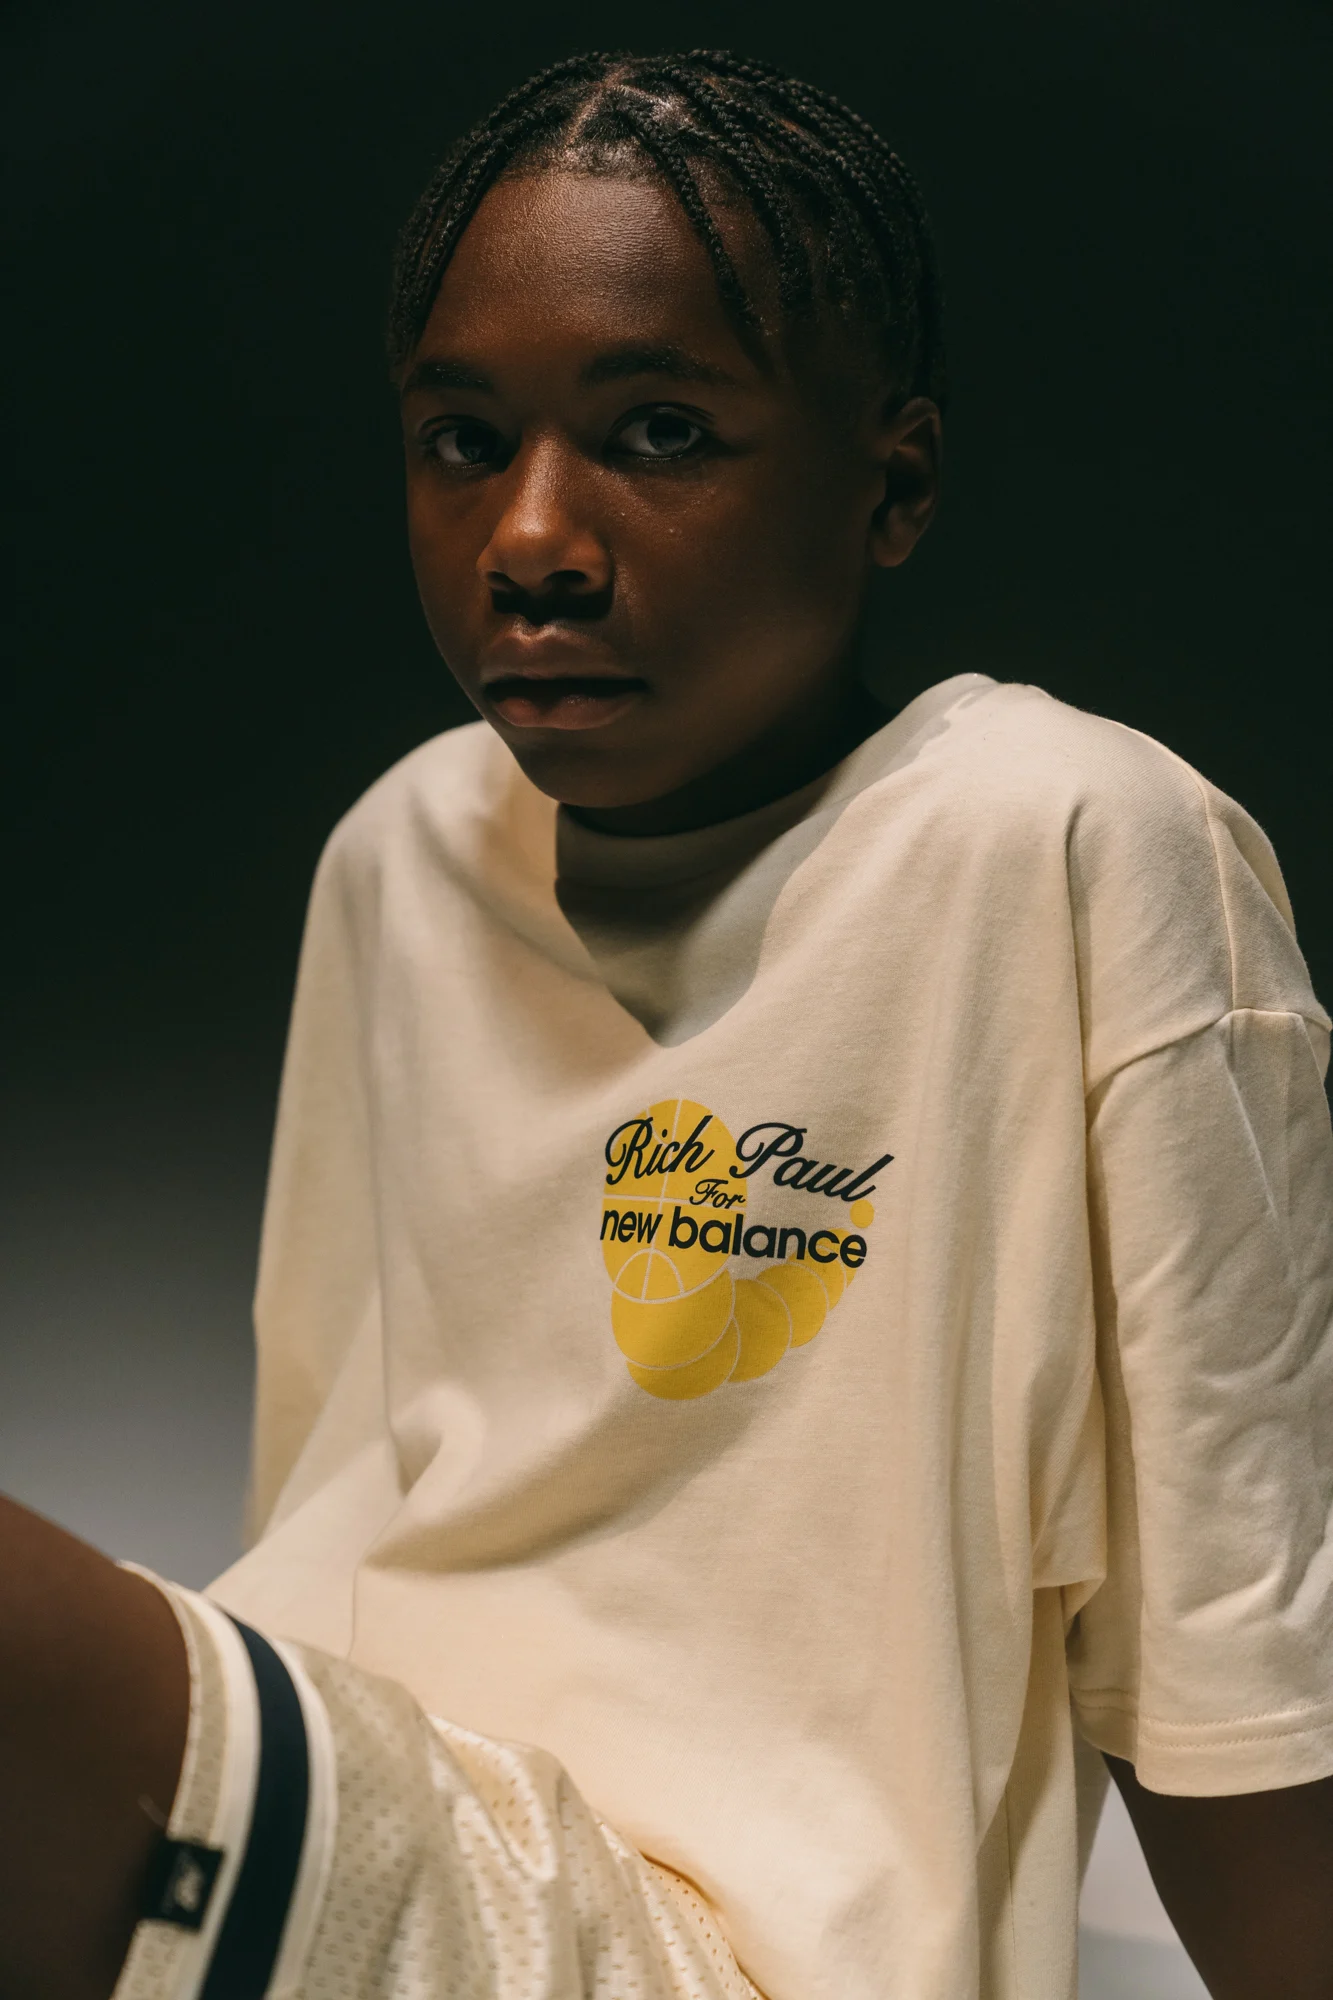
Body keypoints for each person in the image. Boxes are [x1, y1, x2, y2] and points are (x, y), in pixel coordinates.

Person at [3, 48, 1331, 2000]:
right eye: (463, 441)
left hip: (707, 1941)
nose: (531, 536)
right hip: (354, 1812)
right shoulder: (402, 852)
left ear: (894, 484)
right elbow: (330, 1485)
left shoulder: (1066, 847)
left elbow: (1227, 1659)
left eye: (658, 430)